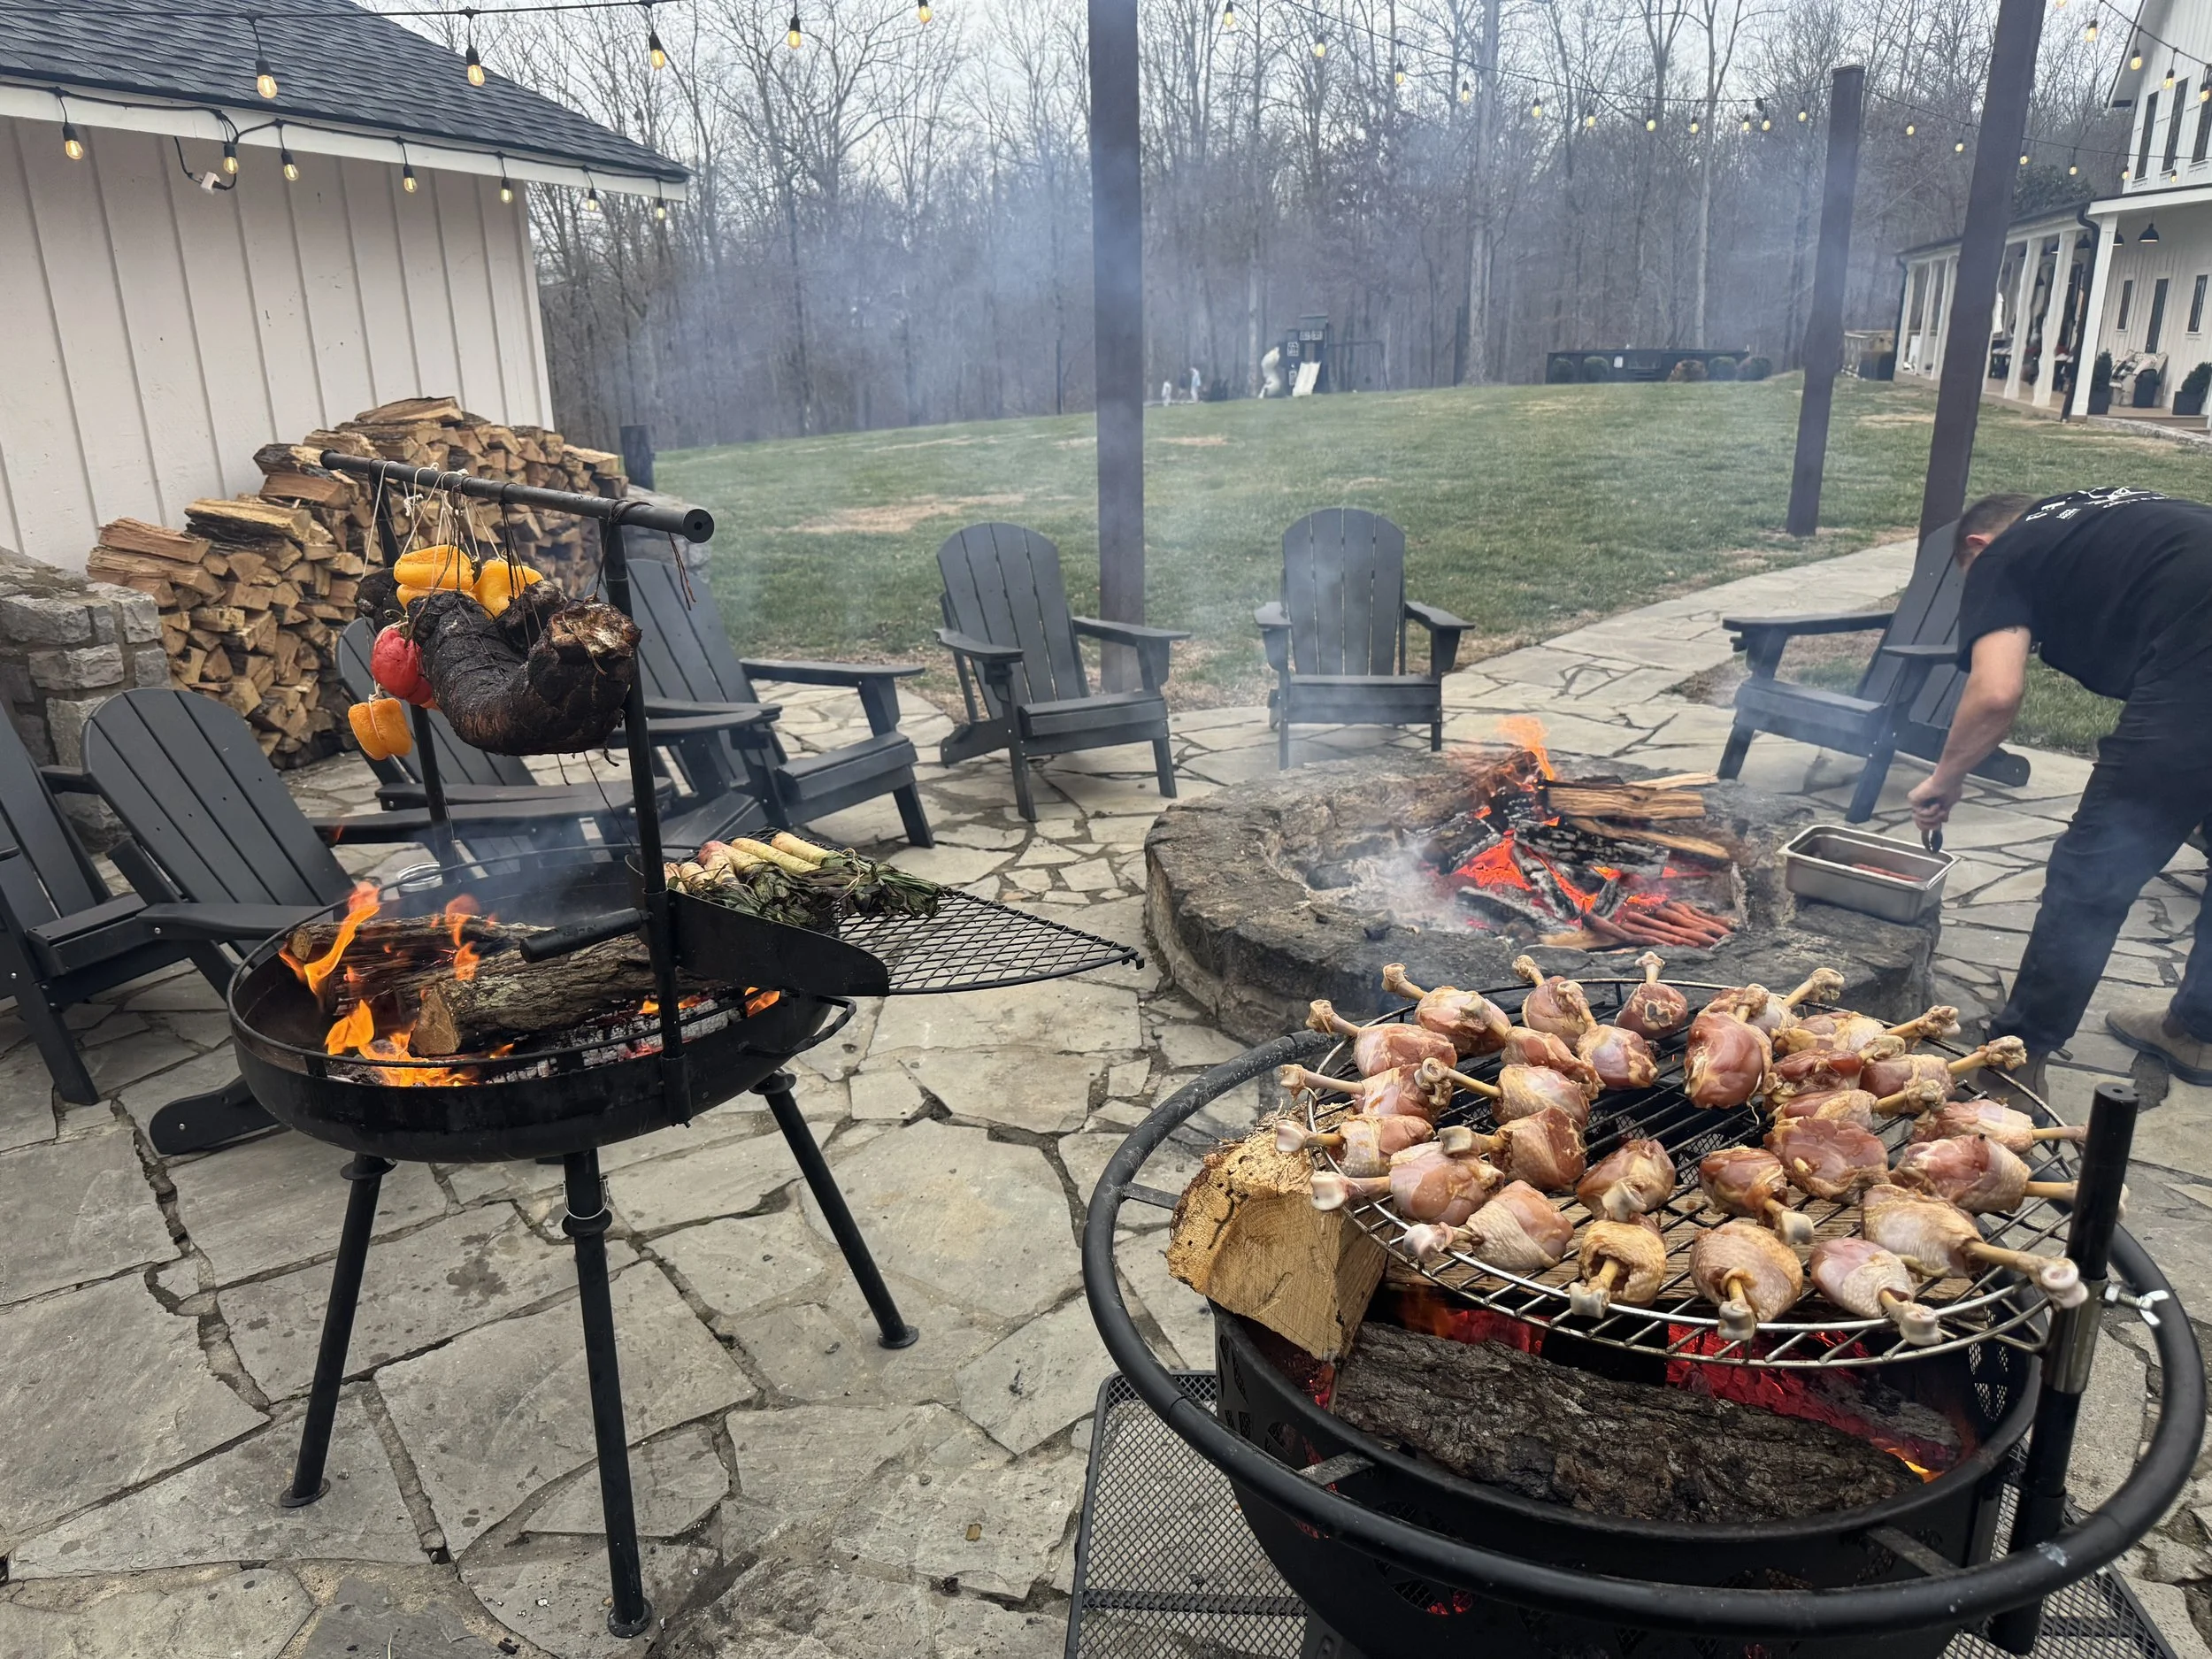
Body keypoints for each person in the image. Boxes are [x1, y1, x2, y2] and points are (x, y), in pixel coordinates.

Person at [1909, 487, 2212, 1090]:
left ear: (1977, 543)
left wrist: (1945, 777)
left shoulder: (2003, 554)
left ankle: (2012, 1066)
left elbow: (1996, 691)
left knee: (2093, 869)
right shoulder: (2092, 514)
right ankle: (2196, 1030)